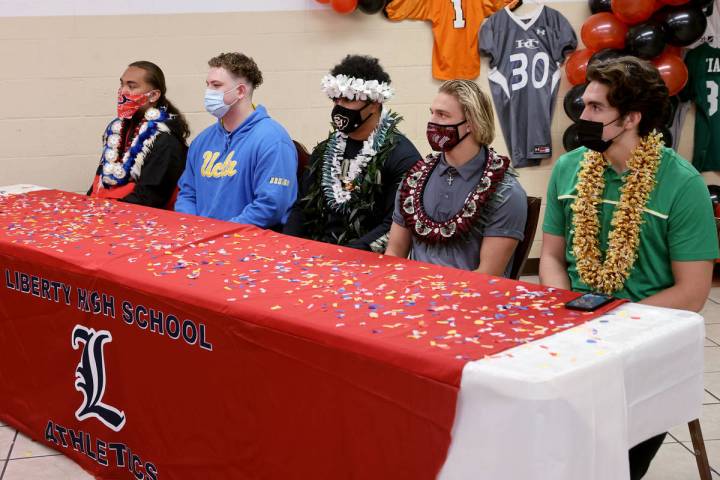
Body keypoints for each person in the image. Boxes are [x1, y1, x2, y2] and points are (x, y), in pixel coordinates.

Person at [539, 56, 719, 479]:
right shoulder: (569, 169)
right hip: (573, 327)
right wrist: (567, 310)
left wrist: (611, 327)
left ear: (632, 118)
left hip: (646, 338)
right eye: (584, 105)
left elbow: (692, 294)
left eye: (595, 108)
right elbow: (550, 256)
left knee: (602, 461)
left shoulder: (682, 183)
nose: (581, 116)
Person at [384, 79, 527, 277]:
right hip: (411, 295)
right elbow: (394, 253)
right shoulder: (413, 180)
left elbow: (488, 274)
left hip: (470, 300)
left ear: (470, 124)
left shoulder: (505, 191)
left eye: (442, 115)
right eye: (431, 113)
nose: (432, 122)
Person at [283, 55, 420, 252]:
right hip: (315, 255)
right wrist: (287, 247)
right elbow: (301, 209)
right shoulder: (324, 151)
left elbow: (393, 226)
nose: (339, 107)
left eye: (347, 99)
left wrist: (344, 256)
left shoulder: (402, 156)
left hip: (365, 262)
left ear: (373, 103)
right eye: (335, 99)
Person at [175, 52, 297, 228]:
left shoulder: (273, 140)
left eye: (216, 85)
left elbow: (270, 206)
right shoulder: (202, 140)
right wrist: (191, 226)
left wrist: (218, 233)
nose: (209, 92)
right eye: (207, 85)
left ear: (240, 91)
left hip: (247, 244)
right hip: (200, 238)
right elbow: (187, 193)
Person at [88, 61, 189, 208]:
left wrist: (104, 212)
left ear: (153, 95)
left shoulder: (165, 140)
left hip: (137, 219)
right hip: (106, 211)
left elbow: (149, 198)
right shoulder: (117, 128)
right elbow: (100, 179)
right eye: (122, 84)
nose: (123, 91)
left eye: (131, 86)